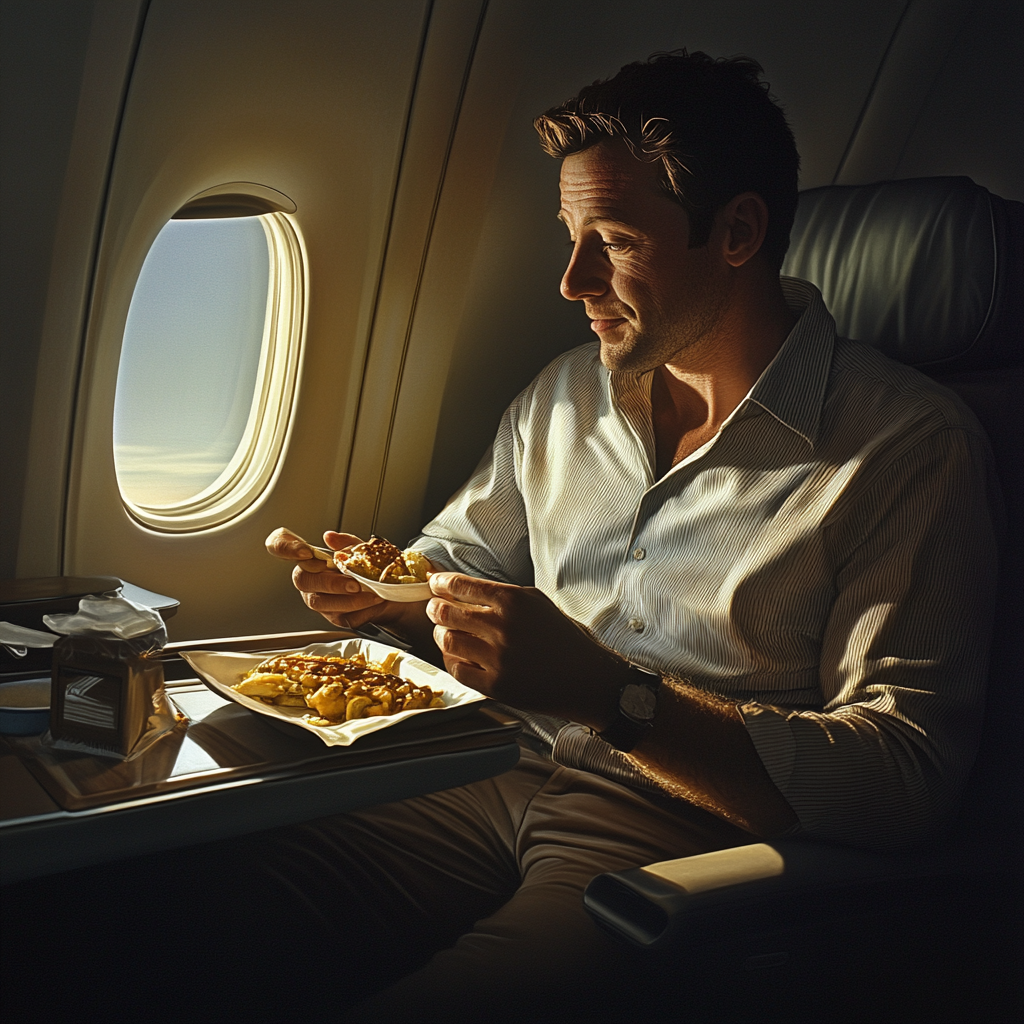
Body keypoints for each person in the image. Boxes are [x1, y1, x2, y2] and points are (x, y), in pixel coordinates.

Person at [2, 50, 998, 1024]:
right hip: (475, 770)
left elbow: (901, 779)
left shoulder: (907, 446)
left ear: (736, 231)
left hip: (682, 831)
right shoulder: (565, 393)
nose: (569, 279)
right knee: (130, 904)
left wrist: (612, 696)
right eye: (566, 234)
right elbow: (461, 559)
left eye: (609, 238)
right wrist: (387, 592)